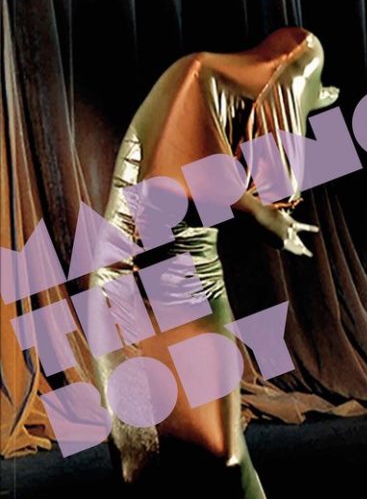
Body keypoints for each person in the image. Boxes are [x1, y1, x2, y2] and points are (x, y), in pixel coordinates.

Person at [89, 27, 339, 497]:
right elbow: (171, 181)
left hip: (195, 275)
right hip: (133, 278)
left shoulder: (243, 102)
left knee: (224, 452)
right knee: (144, 456)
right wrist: (261, 214)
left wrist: (312, 100)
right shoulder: (194, 74)